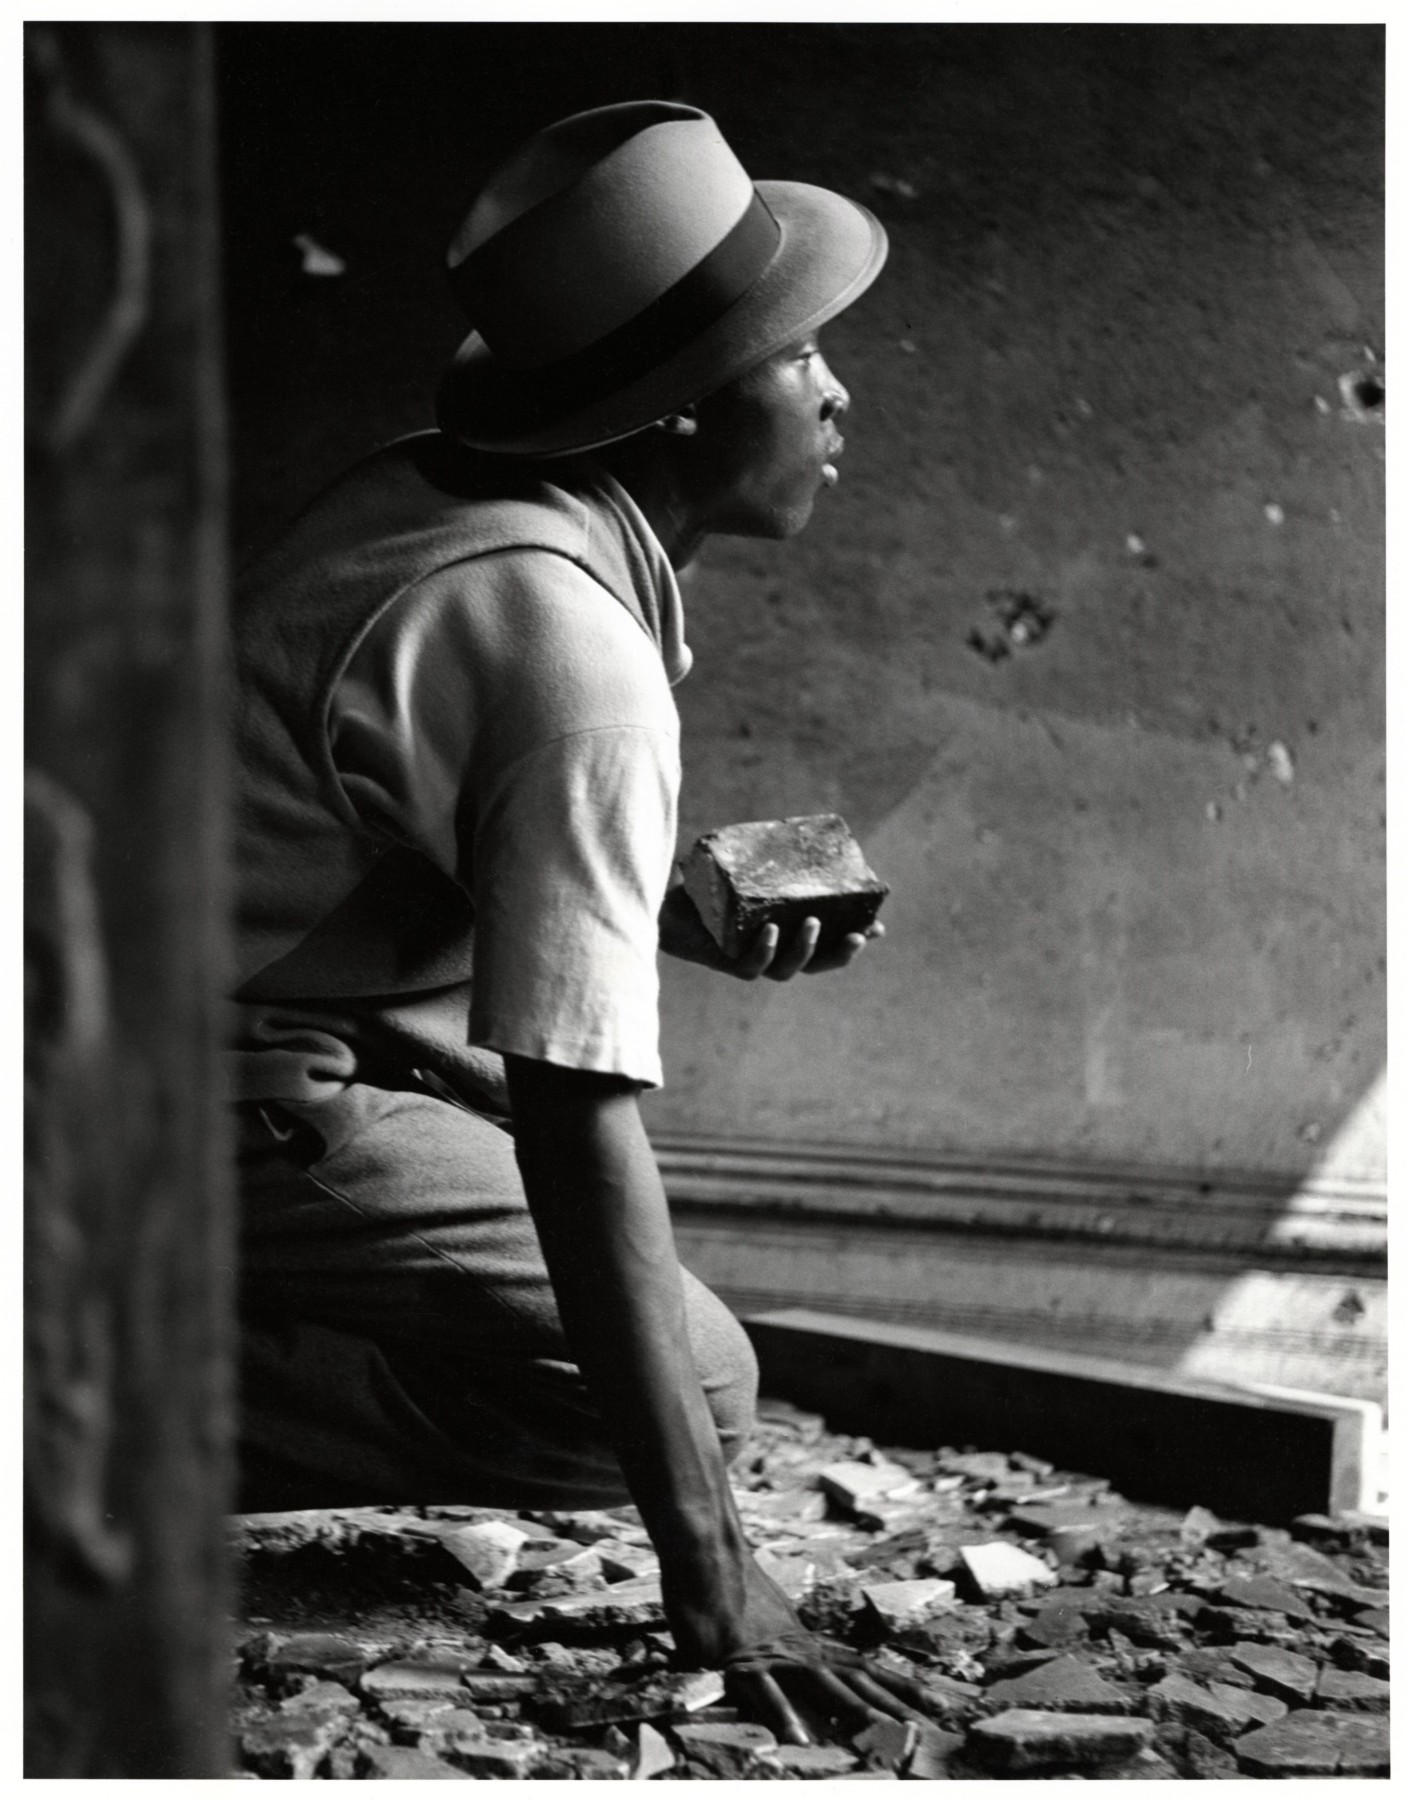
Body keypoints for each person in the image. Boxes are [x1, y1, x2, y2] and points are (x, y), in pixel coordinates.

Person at [230, 99, 926, 1742]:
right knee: (693, 1387)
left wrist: (652, 903)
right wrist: (712, 1569)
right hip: (174, 1091)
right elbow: (571, 1111)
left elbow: (383, 813)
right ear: (680, 413)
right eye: (797, 353)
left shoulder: (452, 504)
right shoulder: (570, 656)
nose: (836, 389)